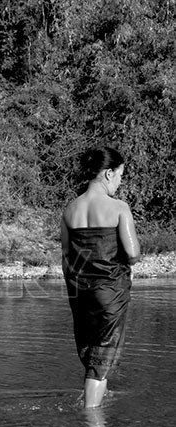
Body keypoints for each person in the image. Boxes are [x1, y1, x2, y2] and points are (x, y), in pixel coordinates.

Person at [61, 146, 140, 408]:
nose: (120, 182)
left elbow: (67, 255)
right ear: (108, 173)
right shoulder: (118, 208)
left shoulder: (70, 209)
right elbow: (132, 253)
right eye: (120, 175)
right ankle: (92, 419)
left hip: (79, 291)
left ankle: (99, 396)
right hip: (110, 291)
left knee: (91, 350)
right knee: (102, 357)